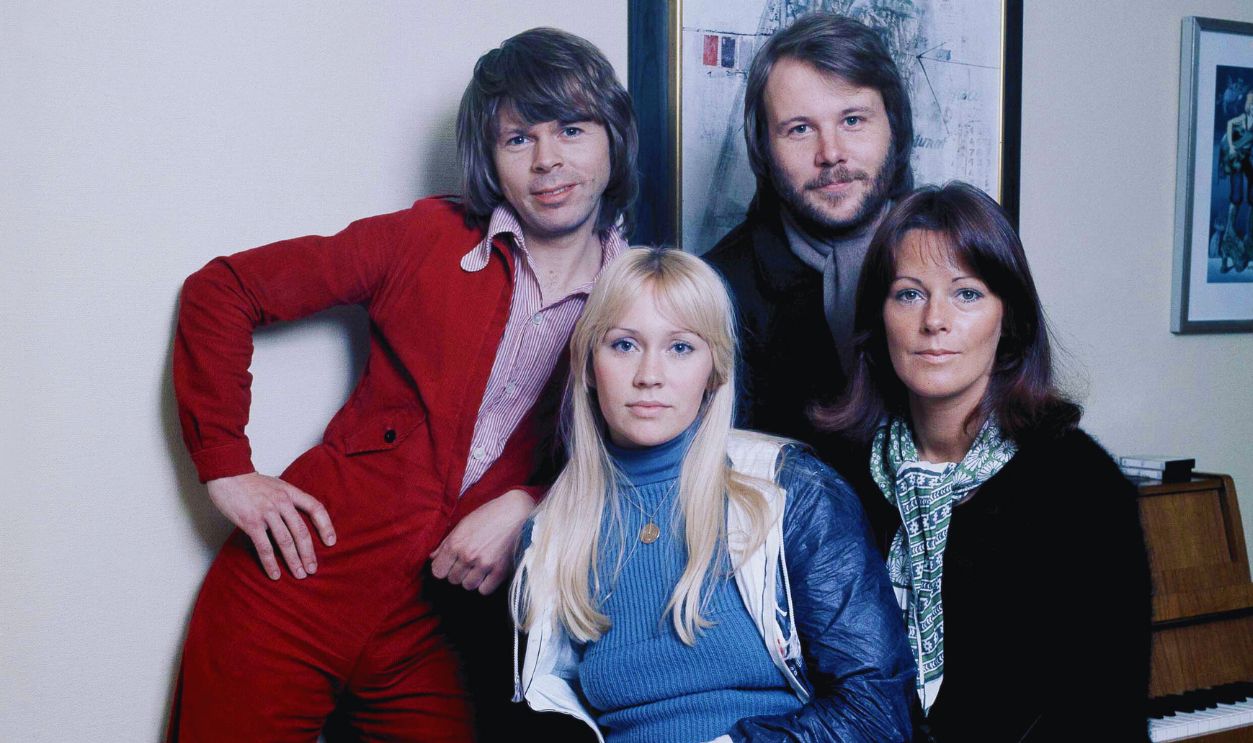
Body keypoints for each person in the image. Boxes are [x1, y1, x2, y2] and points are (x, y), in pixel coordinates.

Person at [168, 27, 636, 741]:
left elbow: (654, 471)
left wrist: (531, 504)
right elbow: (223, 290)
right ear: (490, 157)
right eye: (518, 139)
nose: (548, 160)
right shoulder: (427, 237)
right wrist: (225, 466)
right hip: (296, 585)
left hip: (443, 634)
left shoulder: (638, 296)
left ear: (611, 138)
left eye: (571, 129)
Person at [510, 247, 915, 742]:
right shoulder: (552, 533)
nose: (649, 375)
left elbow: (876, 711)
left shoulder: (793, 493)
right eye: (623, 345)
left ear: (715, 370)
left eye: (680, 347)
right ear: (590, 367)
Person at [815, 182, 1151, 741]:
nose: (935, 321)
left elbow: (1105, 712)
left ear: (1008, 318)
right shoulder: (838, 483)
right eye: (908, 294)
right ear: (880, 316)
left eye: (966, 294)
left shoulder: (1081, 485)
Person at [703, 12, 914, 499]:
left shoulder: (956, 257)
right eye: (799, 129)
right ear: (764, 148)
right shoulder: (717, 288)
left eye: (853, 120)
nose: (831, 153)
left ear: (894, 126)